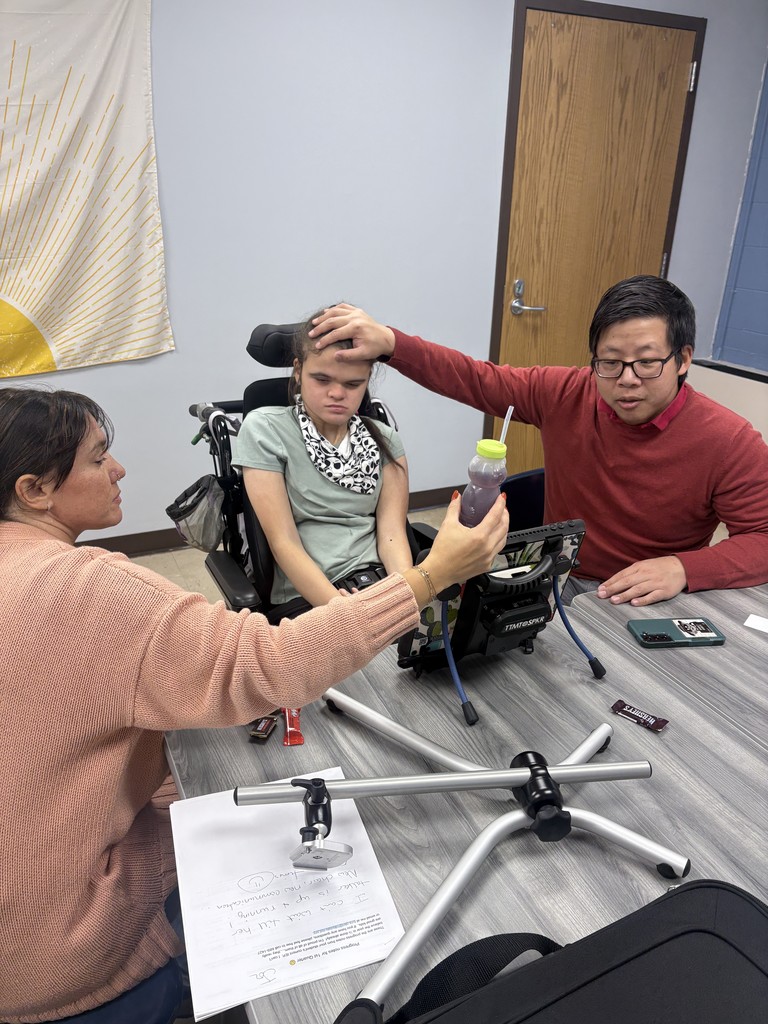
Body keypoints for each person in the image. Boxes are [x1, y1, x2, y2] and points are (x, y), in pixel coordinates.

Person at [0, 387, 508, 1024]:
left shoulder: (380, 439)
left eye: (357, 377)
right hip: (63, 954)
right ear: (34, 490)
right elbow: (267, 660)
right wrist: (430, 576)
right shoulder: (90, 585)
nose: (120, 469)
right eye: (100, 458)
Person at [309, 276, 768, 607]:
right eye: (610, 362)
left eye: (647, 363)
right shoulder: (567, 392)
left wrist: (684, 569)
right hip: (556, 578)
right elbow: (474, 378)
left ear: (683, 359)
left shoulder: (728, 439)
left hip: (650, 597)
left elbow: (762, 538)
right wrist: (389, 342)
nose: (627, 381)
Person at [233, 313, 412, 609]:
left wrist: (404, 598)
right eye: (322, 379)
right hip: (312, 597)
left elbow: (392, 533)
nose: (337, 394)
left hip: (376, 585)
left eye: (353, 384)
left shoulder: (384, 439)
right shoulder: (265, 430)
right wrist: (343, 612)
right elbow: (284, 543)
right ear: (298, 371)